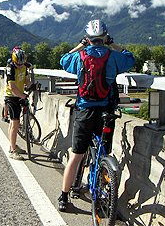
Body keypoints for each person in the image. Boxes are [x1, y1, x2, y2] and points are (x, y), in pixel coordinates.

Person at [57, 19, 135, 211]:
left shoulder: (80, 56)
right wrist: (112, 44)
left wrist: (79, 45)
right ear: (105, 36)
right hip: (105, 112)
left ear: (88, 37)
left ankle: (64, 197)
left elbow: (63, 60)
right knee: (102, 153)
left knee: (76, 157)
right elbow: (130, 58)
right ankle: (100, 193)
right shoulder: (113, 56)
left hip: (85, 112)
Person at [4, 46, 33, 160]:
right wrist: (23, 95)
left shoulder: (23, 66)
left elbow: (25, 79)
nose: (20, 66)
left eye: (22, 64)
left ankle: (13, 145)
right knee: (15, 123)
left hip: (19, 95)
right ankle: (12, 150)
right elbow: (12, 87)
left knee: (13, 123)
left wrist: (31, 85)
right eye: (18, 64)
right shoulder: (10, 68)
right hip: (11, 96)